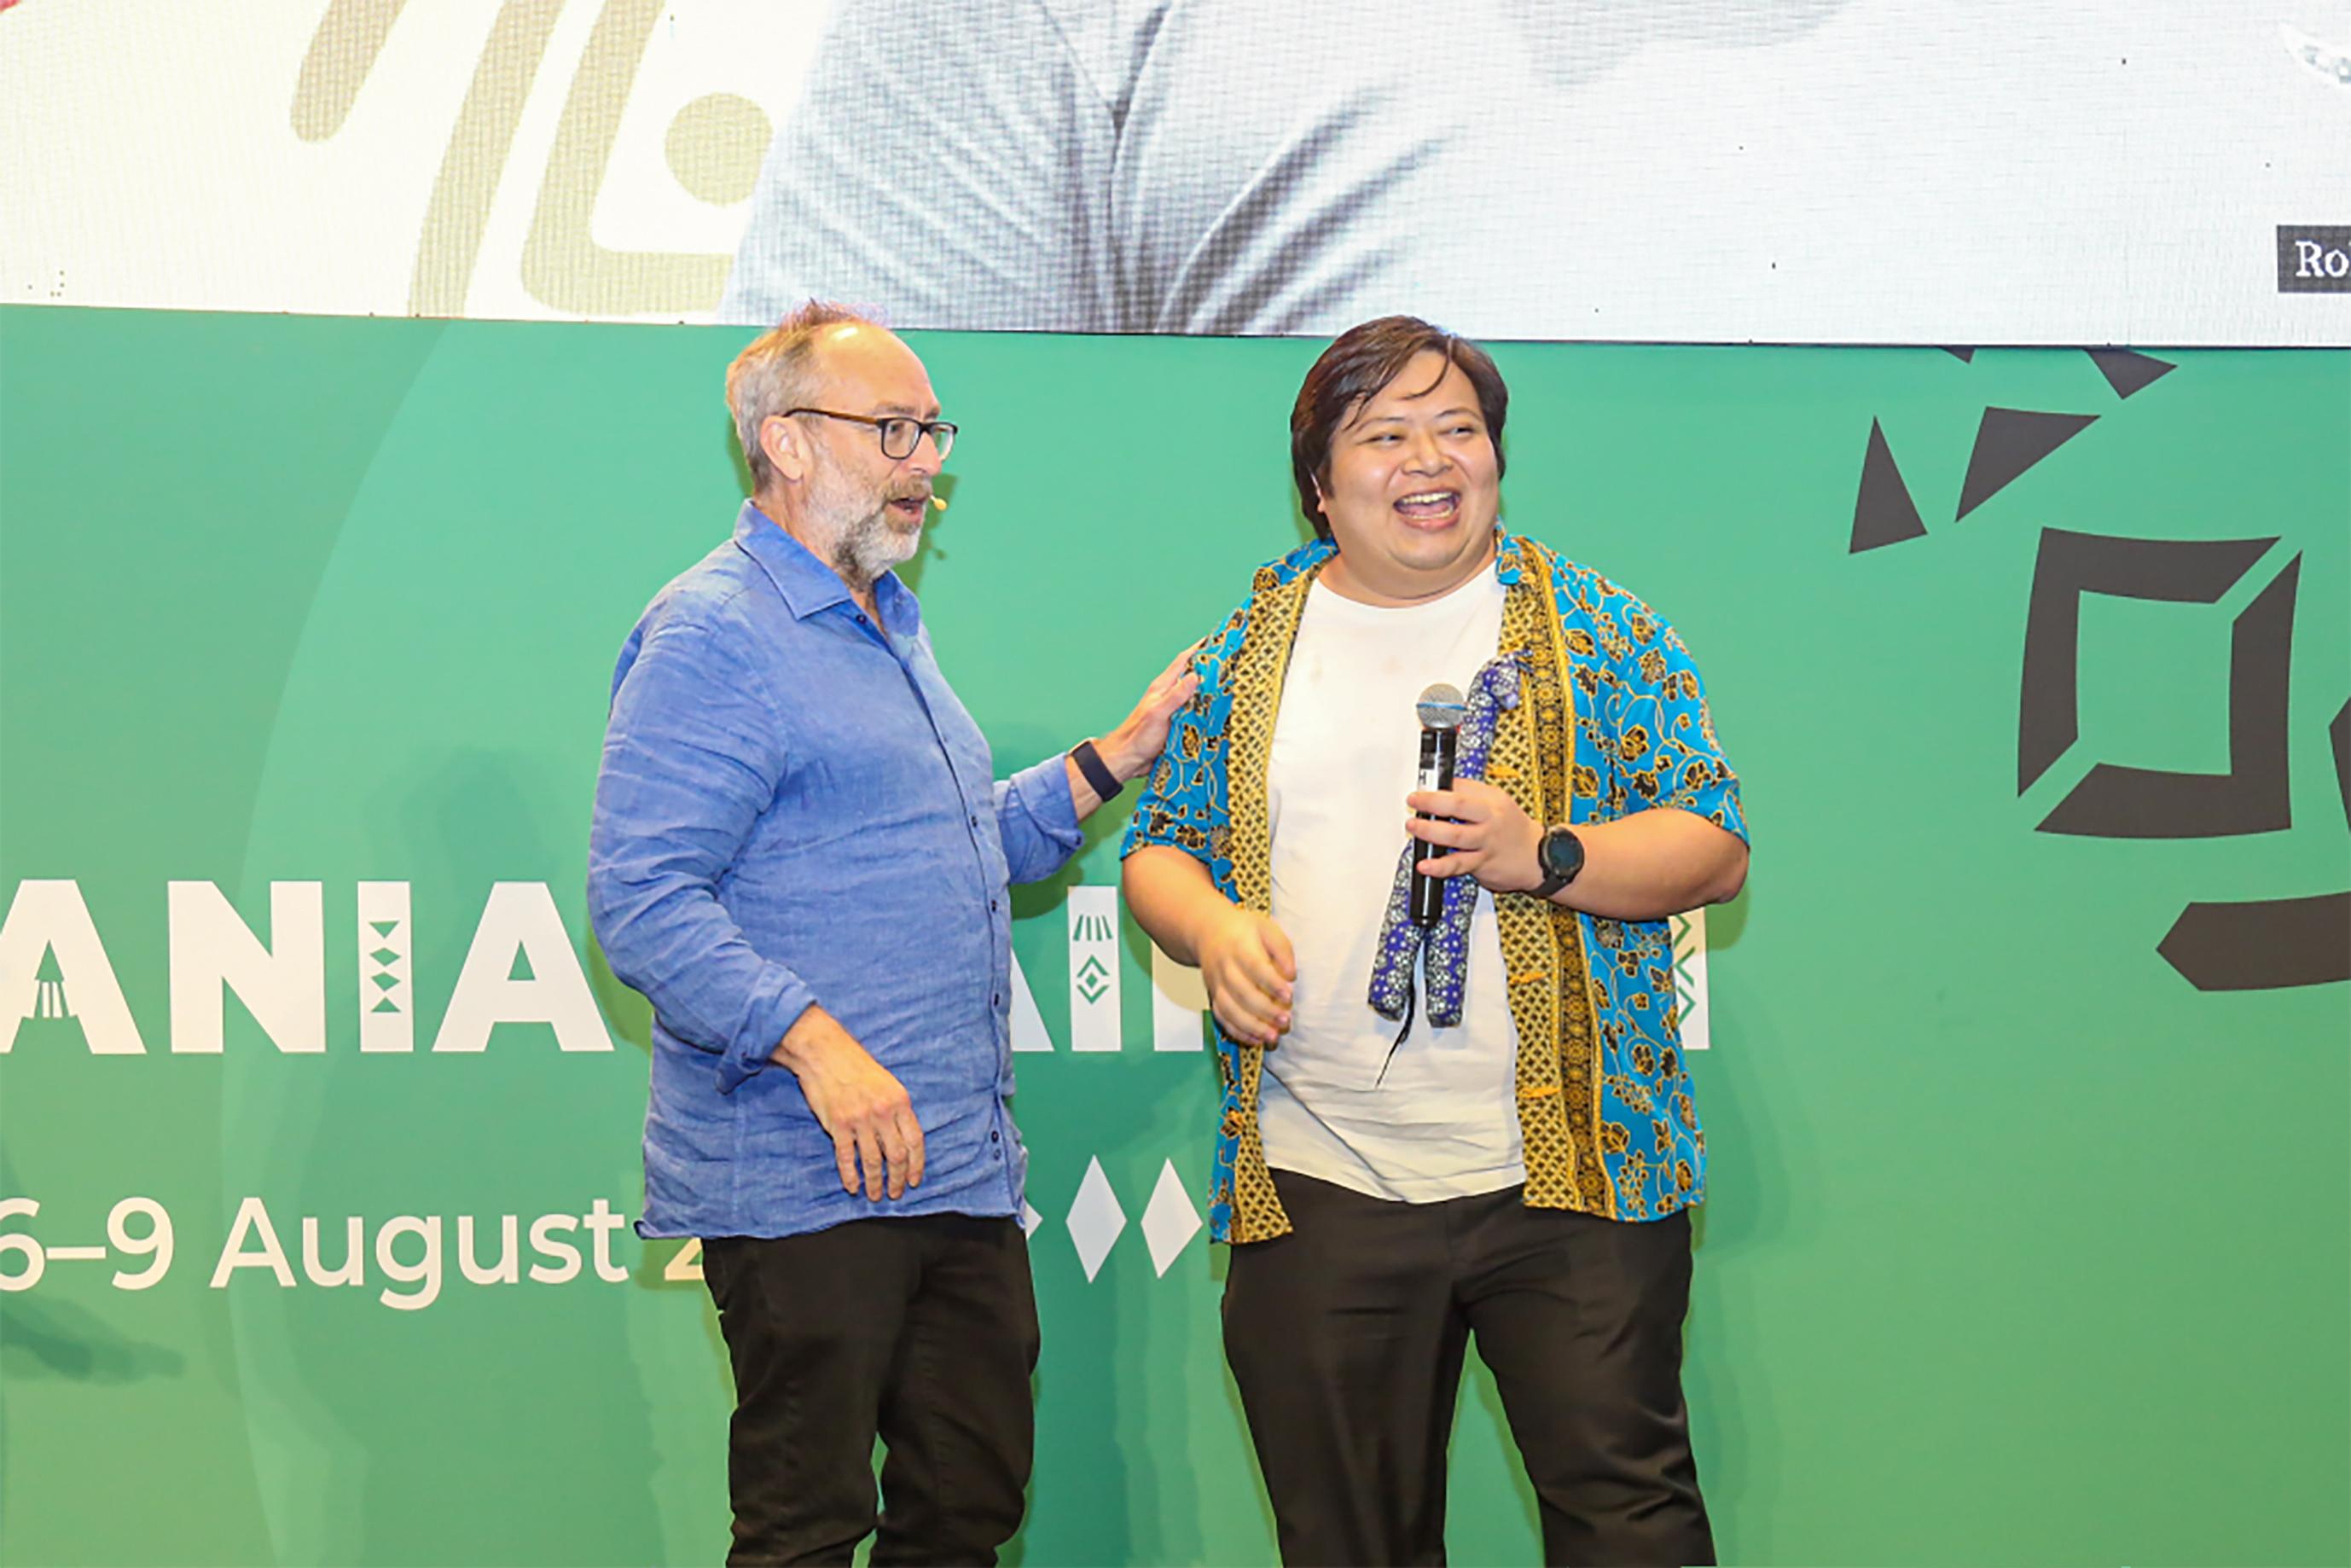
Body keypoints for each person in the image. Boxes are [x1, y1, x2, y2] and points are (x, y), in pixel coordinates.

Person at [1122, 315, 1749, 1566]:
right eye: (1386, 434)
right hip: (1319, 1179)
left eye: (1459, 429)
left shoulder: (1602, 628)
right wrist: (1212, 926)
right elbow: (1160, 846)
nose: (1430, 459)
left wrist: (1547, 855)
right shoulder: (1246, 648)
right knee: (1346, 1541)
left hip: (1577, 1178)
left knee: (1631, 1528)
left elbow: (1713, 842)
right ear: (1319, 483)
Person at [588, 301, 1195, 1566]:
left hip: (958, 1173)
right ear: (788, 441)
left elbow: (961, 842)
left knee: (966, 1514)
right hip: (802, 1180)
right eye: (895, 431)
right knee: (807, 1529)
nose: (927, 464)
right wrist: (814, 1043)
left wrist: (1111, 758)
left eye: (932, 432)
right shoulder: (714, 634)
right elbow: (642, 898)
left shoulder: (890, 625)